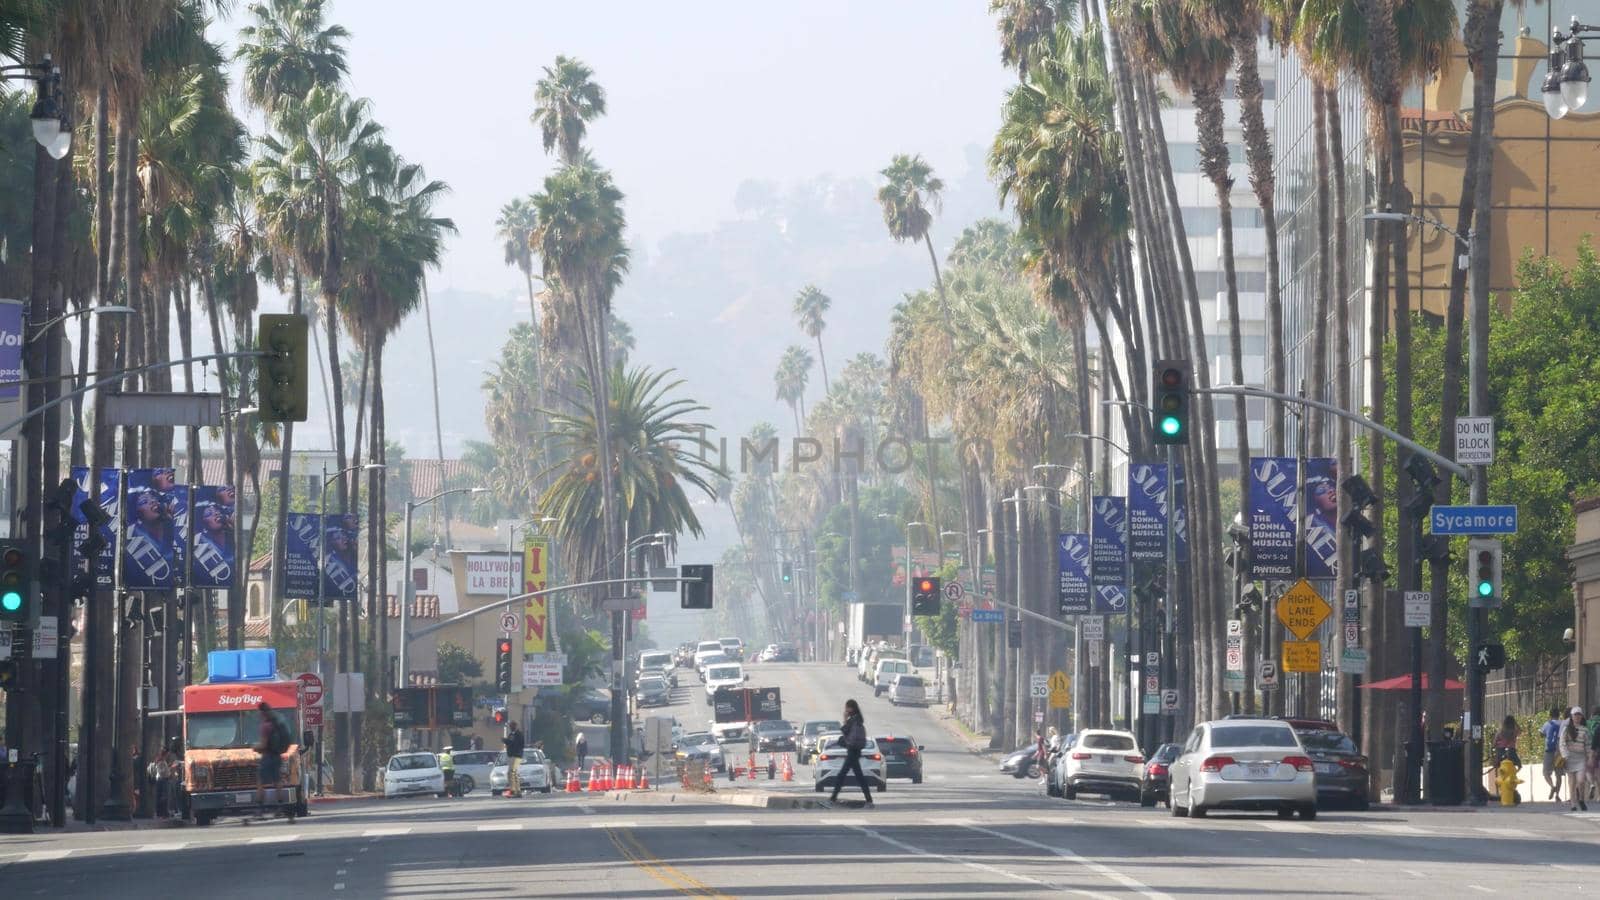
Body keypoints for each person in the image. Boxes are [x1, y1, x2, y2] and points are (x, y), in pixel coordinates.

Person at [827, 699, 872, 807]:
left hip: (853, 750)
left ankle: (833, 798)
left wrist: (844, 719)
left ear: (851, 708)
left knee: (842, 775)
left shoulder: (854, 720)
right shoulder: (858, 719)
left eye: (847, 708)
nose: (846, 710)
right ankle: (869, 799)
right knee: (859, 776)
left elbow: (845, 730)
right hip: (855, 750)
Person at [254, 702, 289, 813]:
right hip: (277, 756)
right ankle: (280, 806)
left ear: (262, 712)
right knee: (277, 781)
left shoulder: (265, 726)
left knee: (261, 782)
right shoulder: (276, 723)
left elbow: (263, 745)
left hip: (268, 756)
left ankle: (260, 809)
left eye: (259, 711)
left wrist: (255, 747)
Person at [1563, 707, 1590, 812]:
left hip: (1581, 758)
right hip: (1569, 757)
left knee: (1581, 780)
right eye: (1575, 714)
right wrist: (1565, 755)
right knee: (1572, 782)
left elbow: (1588, 744)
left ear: (1581, 716)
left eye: (1579, 714)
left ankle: (1581, 799)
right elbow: (1562, 743)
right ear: (1571, 716)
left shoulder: (1585, 729)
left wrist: (1589, 756)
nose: (1577, 716)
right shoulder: (1566, 728)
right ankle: (1573, 804)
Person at [1541, 705, 1565, 801]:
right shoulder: (1563, 724)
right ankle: (1557, 795)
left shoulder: (1547, 724)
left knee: (1546, 773)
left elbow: (1541, 734)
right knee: (1558, 775)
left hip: (1549, 751)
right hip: (1560, 752)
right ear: (1559, 715)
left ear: (1550, 715)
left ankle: (1552, 786)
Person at [503, 722, 525, 797]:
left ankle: (513, 790)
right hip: (511, 755)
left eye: (512, 726)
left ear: (515, 726)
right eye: (510, 726)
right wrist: (507, 741)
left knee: (511, 772)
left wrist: (506, 741)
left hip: (517, 755)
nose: (511, 727)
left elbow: (517, 744)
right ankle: (518, 791)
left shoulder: (519, 734)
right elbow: (510, 743)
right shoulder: (511, 735)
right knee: (514, 773)